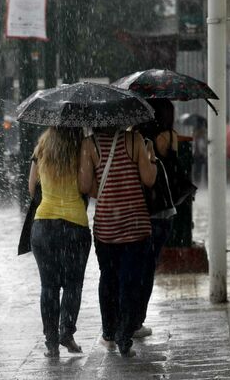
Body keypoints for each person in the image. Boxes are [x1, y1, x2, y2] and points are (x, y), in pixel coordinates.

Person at [78, 126, 156, 358]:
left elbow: (84, 186)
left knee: (108, 278)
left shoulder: (89, 145)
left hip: (106, 227)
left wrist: (105, 191)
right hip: (135, 223)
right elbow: (149, 179)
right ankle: (124, 334)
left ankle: (109, 332)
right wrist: (150, 156)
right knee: (130, 281)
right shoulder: (134, 140)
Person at [28, 127, 91, 358]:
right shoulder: (82, 147)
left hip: (43, 226)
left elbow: (31, 186)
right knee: (73, 285)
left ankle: (51, 342)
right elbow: (85, 186)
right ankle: (67, 331)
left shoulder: (42, 146)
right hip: (74, 225)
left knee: (49, 286)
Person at [134, 98, 179, 338]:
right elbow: (173, 170)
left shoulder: (139, 139)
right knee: (148, 268)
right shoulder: (169, 137)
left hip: (140, 209)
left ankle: (130, 316)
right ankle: (138, 318)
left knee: (136, 266)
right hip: (163, 211)